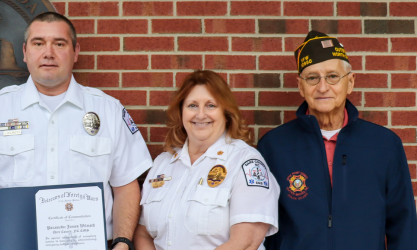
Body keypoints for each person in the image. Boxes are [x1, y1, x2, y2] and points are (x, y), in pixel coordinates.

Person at [0, 12, 152, 250]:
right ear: (25, 52)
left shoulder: (108, 111)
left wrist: (123, 242)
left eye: (59, 43)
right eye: (38, 43)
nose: (48, 53)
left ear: (75, 52)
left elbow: (126, 184)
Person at [258, 30, 417, 250]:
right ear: (300, 86)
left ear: (350, 82)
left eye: (333, 76)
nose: (323, 87)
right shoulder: (274, 147)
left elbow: (404, 226)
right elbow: (260, 226)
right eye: (312, 78)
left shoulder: (384, 145)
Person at [132, 70, 280, 250]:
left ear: (226, 113)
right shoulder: (163, 163)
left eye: (210, 105)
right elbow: (143, 233)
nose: (200, 115)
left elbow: (245, 242)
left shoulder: (246, 163)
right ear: (181, 112)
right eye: (192, 105)